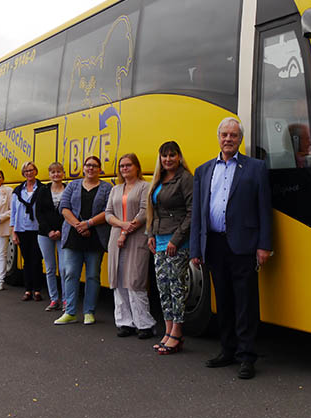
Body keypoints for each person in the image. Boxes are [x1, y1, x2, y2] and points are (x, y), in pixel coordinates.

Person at [190, 118, 272, 379]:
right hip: (214, 243)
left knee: (246, 302)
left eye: (233, 135)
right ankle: (227, 350)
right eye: (224, 134)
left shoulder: (256, 168)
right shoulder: (203, 171)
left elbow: (264, 210)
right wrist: (195, 249)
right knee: (222, 300)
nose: (228, 139)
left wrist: (264, 245)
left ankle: (246, 356)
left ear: (240, 139)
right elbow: (197, 216)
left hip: (243, 245)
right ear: (218, 137)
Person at [147, 141, 193, 354]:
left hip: (177, 242)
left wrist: (176, 239)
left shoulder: (185, 178)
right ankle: (168, 331)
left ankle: (177, 332)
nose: (168, 160)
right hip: (160, 239)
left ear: (179, 156)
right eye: (164, 156)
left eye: (172, 155)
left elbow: (192, 213)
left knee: (177, 289)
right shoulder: (159, 178)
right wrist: (151, 234)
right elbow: (154, 210)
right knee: (163, 288)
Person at [55, 155, 112, 326]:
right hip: (73, 237)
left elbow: (108, 210)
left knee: (93, 276)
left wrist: (89, 224)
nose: (90, 168)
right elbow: (64, 207)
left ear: (100, 169)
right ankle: (70, 312)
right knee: (70, 273)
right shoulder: (72, 185)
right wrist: (78, 226)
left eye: (94, 166)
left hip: (96, 237)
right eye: (88, 165)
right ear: (83, 167)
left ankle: (89, 312)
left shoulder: (107, 188)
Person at [105, 153, 156, 339]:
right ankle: (125, 322)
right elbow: (108, 213)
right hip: (116, 237)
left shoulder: (145, 187)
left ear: (136, 167)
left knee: (135, 281)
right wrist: (122, 225)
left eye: (128, 165)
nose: (124, 169)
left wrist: (127, 230)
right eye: (122, 166)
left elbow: (144, 212)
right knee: (118, 281)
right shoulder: (115, 189)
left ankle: (145, 324)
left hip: (136, 238)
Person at [10, 161, 45, 301]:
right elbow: (13, 213)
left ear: (35, 171)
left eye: (31, 170)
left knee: (37, 260)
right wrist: (13, 232)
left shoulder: (42, 189)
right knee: (26, 261)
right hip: (22, 230)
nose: (29, 173)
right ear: (23, 174)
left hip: (38, 229)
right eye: (26, 171)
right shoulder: (17, 191)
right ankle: (28, 290)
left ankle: (37, 290)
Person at [37, 162, 67, 311]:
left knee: (64, 269)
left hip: (63, 234)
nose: (56, 175)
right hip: (45, 234)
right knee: (50, 268)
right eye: (53, 172)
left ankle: (66, 300)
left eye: (59, 172)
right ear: (49, 174)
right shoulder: (42, 190)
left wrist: (60, 231)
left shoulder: (68, 189)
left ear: (63, 173)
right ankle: (54, 299)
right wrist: (49, 231)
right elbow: (39, 214)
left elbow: (71, 211)